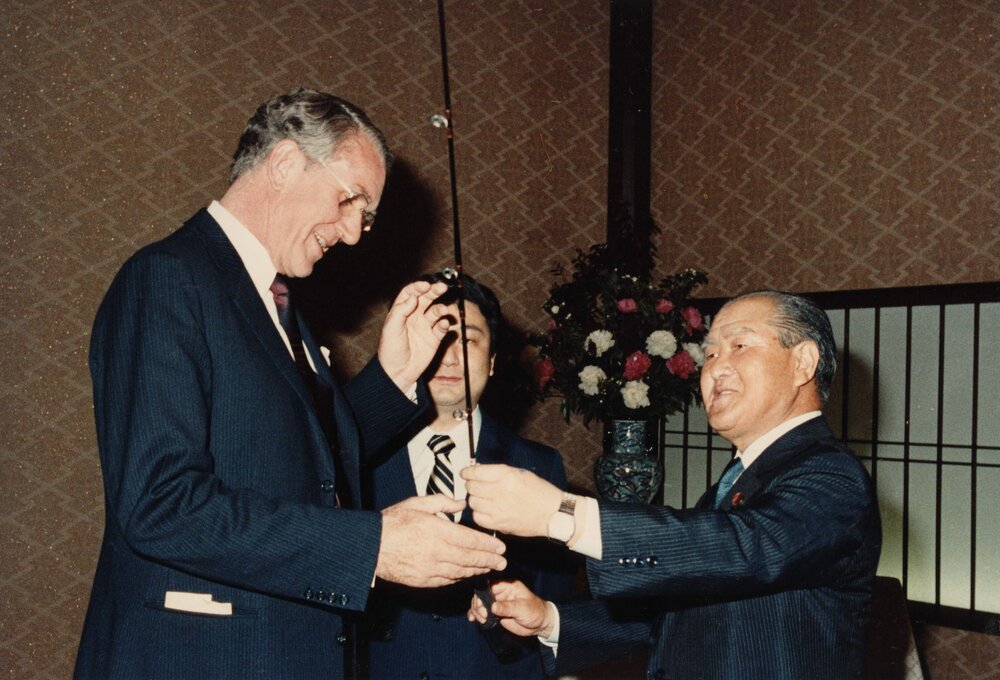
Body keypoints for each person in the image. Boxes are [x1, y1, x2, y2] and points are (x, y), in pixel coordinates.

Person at [75, 88, 507, 680]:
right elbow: (158, 504)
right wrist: (373, 546)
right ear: (283, 164)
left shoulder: (282, 309)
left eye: (368, 215)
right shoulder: (169, 279)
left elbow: (305, 463)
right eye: (350, 199)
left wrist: (395, 377)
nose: (356, 233)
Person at [464, 290, 882, 680]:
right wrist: (550, 618)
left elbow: (747, 548)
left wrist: (563, 515)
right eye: (711, 352)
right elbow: (673, 614)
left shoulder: (830, 474)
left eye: (739, 345)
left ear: (803, 363)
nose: (715, 366)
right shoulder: (735, 483)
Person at [363, 273, 577, 679]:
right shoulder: (354, 455)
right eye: (436, 337)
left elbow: (557, 615)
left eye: (469, 339)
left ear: (493, 363)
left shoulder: (539, 466)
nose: (449, 357)